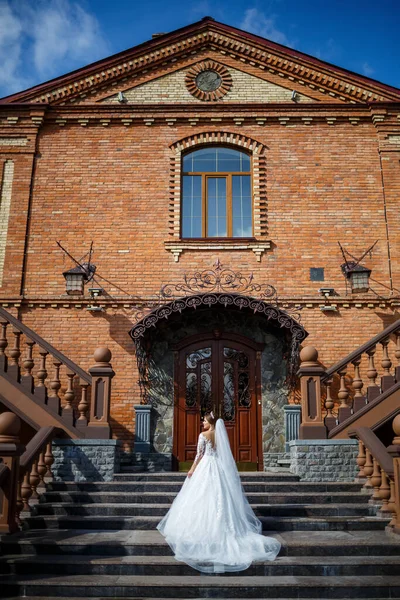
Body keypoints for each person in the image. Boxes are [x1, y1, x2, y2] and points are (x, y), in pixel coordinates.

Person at [157, 412, 281, 573]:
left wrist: (192, 470)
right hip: (218, 468)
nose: (202, 423)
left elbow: (199, 456)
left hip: (206, 467)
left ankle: (204, 530)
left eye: (204, 420)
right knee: (220, 496)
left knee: (202, 496)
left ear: (210, 422)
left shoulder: (203, 435)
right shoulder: (219, 435)